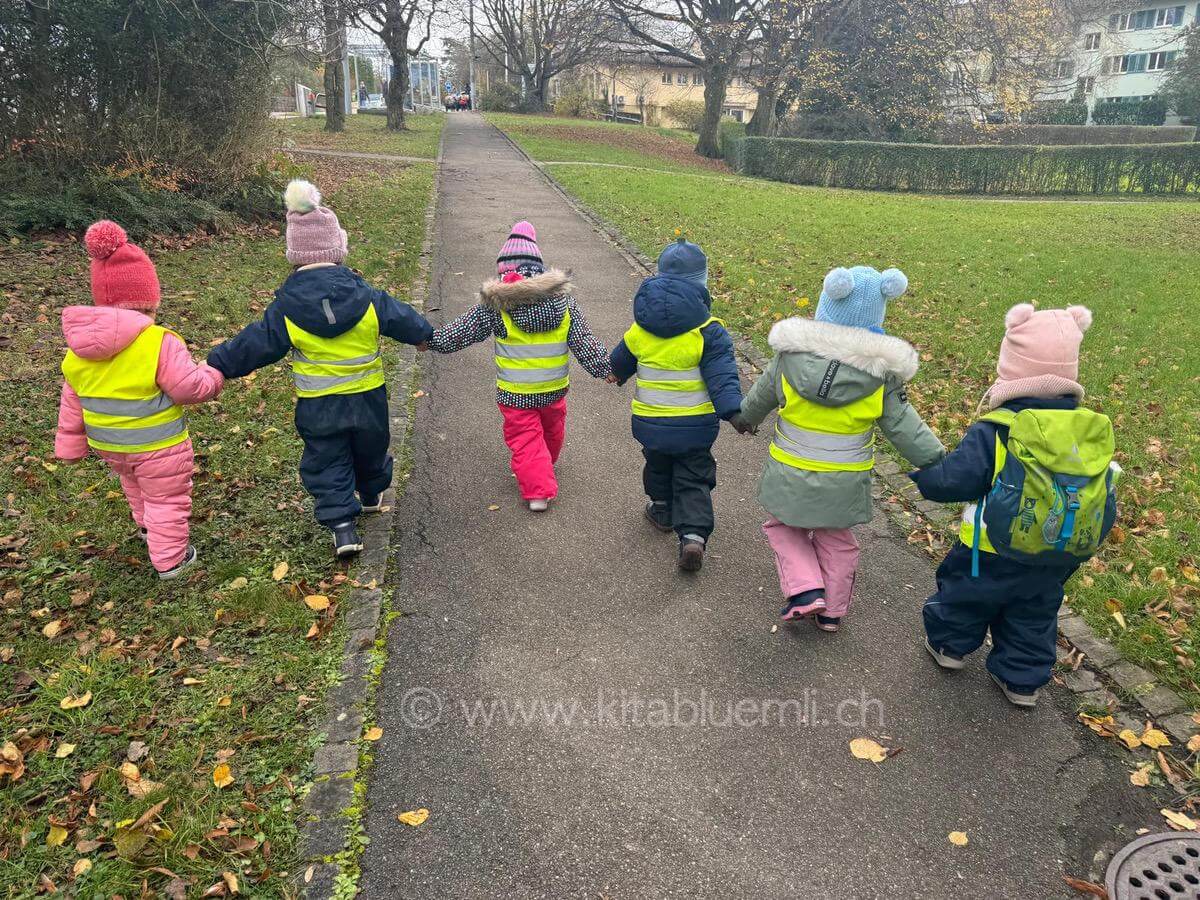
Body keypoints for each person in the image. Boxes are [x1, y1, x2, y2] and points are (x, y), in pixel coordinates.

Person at [206, 180, 433, 558]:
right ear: (339, 250)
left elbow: (255, 343)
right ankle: (373, 492)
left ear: (294, 256)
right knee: (371, 448)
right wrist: (424, 335)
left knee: (326, 458)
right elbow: (403, 318)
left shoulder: (286, 309)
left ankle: (343, 527)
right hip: (367, 399)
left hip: (318, 404)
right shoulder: (368, 298)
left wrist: (219, 363)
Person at [912, 304, 1114, 707]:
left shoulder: (998, 429)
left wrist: (924, 478)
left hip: (991, 546)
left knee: (965, 594)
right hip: (1057, 550)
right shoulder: (1088, 430)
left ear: (1012, 368)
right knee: (1034, 613)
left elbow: (957, 478)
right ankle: (1022, 681)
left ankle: (950, 648)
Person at [738, 266, 944, 631]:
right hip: (846, 479)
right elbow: (903, 426)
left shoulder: (789, 359)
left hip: (790, 469)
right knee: (838, 539)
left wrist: (744, 419)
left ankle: (804, 591)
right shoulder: (881, 376)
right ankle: (832, 611)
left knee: (785, 526)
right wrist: (936, 460)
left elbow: (760, 398)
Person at [56, 220, 225, 579]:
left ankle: (147, 528)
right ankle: (171, 560)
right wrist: (213, 374)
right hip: (158, 444)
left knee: (134, 484)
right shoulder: (158, 341)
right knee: (166, 498)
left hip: (110, 444)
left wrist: (70, 446)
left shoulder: (78, 351)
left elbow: (72, 401)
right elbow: (186, 388)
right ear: (148, 300)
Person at [428, 221, 611, 510]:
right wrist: (605, 368)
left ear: (503, 271)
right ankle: (544, 463)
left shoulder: (495, 306)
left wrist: (432, 340)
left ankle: (538, 490)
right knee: (552, 428)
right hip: (554, 387)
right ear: (539, 269)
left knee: (525, 438)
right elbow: (583, 340)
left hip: (515, 393)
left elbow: (462, 331)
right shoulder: (564, 304)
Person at [609, 238, 743, 572]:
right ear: (702, 283)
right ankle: (694, 536)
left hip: (650, 422)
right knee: (694, 475)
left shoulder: (641, 328)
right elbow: (723, 377)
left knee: (657, 463)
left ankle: (662, 510)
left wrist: (616, 373)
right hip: (695, 426)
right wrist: (735, 412)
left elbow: (620, 360)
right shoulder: (709, 331)